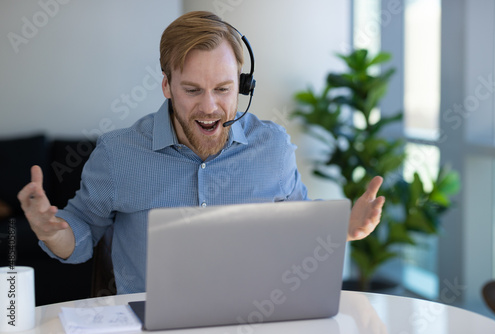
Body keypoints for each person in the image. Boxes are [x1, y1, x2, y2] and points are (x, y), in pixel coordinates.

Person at [17, 11, 385, 294]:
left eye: (223, 89)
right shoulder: (118, 154)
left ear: (242, 85)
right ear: (167, 85)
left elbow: (298, 220)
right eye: (192, 90)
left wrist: (345, 228)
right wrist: (51, 231)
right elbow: (79, 238)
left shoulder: (271, 147)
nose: (209, 107)